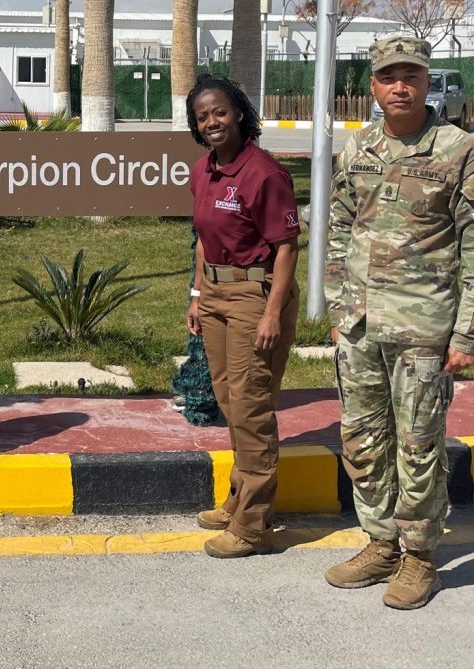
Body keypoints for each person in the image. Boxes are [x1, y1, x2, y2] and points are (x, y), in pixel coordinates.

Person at [323, 36, 474, 610]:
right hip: (359, 325)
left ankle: (420, 556)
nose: (400, 86)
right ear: (372, 86)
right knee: (362, 438)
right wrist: (336, 305)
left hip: (424, 329)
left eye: (412, 76)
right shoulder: (360, 148)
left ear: (429, 83)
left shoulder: (459, 151)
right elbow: (339, 227)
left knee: (419, 445)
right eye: (388, 76)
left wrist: (470, 332)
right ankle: (380, 542)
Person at [184, 74, 301, 559]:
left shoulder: (264, 173)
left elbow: (288, 246)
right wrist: (196, 294)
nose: (212, 121)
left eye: (220, 112)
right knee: (231, 402)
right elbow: (204, 238)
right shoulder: (203, 170)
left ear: (239, 114)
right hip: (213, 292)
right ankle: (237, 500)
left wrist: (273, 313)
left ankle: (253, 526)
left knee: (251, 408)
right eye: (202, 116)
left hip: (255, 296)